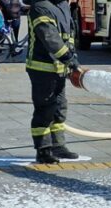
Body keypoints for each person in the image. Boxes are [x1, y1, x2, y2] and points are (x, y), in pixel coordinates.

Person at [25, 0, 81, 164]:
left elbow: (69, 35)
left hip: (59, 68)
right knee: (45, 110)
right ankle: (43, 150)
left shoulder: (63, 6)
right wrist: (68, 58)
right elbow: (49, 37)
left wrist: (72, 56)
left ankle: (58, 145)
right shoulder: (40, 7)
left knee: (59, 108)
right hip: (42, 68)